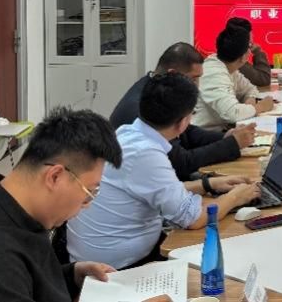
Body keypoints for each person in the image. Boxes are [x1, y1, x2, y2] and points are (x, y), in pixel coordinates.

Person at [0, 108, 168, 302]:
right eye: (89, 191)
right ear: (55, 176)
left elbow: (26, 279)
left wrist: (71, 276)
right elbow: (8, 275)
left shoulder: (10, 210)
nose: (87, 204)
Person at [67, 74, 260, 269]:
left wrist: (208, 184)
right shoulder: (145, 153)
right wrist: (237, 197)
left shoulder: (129, 132)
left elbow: (158, 189)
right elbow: (193, 219)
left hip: (100, 255)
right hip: (117, 268)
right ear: (183, 122)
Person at [109, 42, 254, 180]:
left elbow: (186, 132)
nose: (197, 86)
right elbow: (181, 163)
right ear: (173, 74)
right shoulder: (145, 105)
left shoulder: (155, 86)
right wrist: (231, 144)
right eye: (193, 79)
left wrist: (225, 137)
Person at [193, 23, 274, 130]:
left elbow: (250, 89)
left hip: (222, 129)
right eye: (249, 46)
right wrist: (260, 107)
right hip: (206, 134)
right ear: (244, 56)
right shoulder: (213, 73)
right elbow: (232, 114)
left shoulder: (228, 67)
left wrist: (250, 100)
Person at [226, 16, 272, 87]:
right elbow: (264, 79)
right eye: (251, 33)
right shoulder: (234, 58)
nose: (253, 36)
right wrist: (258, 53)